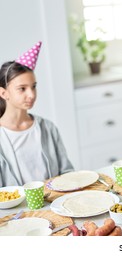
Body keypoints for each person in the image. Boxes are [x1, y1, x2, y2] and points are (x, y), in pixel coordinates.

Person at [0, 41, 74, 187]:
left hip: (52, 206)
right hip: (16, 209)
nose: (31, 94)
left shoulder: (47, 127)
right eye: (22, 88)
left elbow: (67, 172)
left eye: (33, 87)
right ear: (3, 93)